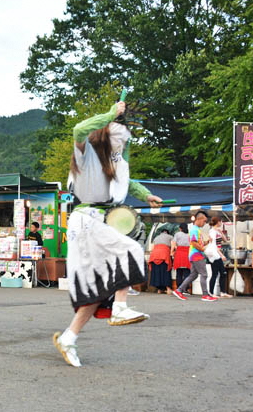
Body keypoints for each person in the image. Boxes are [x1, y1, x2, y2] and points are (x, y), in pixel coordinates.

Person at [52, 100, 164, 368]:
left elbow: (128, 183)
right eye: (119, 136)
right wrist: (110, 114)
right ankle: (121, 308)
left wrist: (145, 195)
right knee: (132, 250)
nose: (123, 143)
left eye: (125, 140)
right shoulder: (86, 153)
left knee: (97, 292)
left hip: (99, 221)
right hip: (86, 220)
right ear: (105, 133)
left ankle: (68, 338)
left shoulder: (114, 163)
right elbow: (79, 128)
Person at [171, 211, 218, 302]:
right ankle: (205, 294)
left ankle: (179, 290)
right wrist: (204, 249)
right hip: (197, 255)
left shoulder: (196, 229)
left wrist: (207, 242)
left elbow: (197, 242)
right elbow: (193, 242)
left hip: (194, 255)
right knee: (204, 274)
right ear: (199, 219)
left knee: (193, 275)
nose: (205, 223)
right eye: (204, 221)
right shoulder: (194, 229)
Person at [207, 217, 231, 298]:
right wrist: (221, 255)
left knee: (223, 273)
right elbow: (213, 245)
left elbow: (225, 240)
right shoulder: (212, 232)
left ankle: (222, 292)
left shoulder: (217, 231)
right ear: (218, 222)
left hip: (217, 254)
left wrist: (221, 232)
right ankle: (211, 292)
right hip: (214, 254)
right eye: (220, 221)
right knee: (215, 273)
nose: (221, 223)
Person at [149, 229, 173, 294]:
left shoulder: (156, 237)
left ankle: (159, 289)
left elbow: (152, 248)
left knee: (157, 272)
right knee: (166, 272)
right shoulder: (170, 237)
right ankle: (168, 289)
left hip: (154, 255)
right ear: (167, 233)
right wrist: (172, 252)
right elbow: (173, 246)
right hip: (164, 254)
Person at [171, 223, 191, 293]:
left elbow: (173, 243)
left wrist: (171, 252)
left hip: (179, 253)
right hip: (187, 254)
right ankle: (186, 289)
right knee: (187, 273)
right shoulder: (189, 235)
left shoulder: (177, 234)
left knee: (179, 273)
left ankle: (179, 289)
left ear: (180, 228)